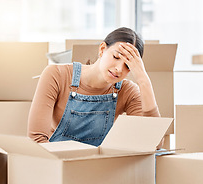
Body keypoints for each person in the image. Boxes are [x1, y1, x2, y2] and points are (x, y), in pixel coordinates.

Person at [28, 27, 161, 147]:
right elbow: (37, 140)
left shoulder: (128, 91)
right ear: (102, 49)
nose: (119, 69)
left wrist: (144, 81)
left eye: (128, 66)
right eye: (116, 57)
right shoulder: (56, 75)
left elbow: (154, 144)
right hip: (58, 164)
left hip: (98, 167)